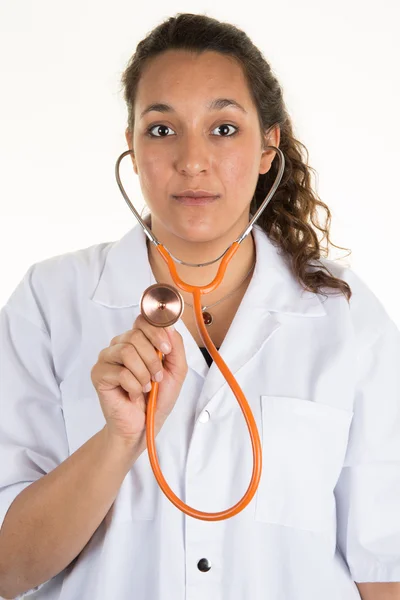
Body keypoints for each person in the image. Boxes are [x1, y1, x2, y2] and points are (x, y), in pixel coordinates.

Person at [0, 12, 399, 600]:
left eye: (224, 128)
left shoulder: (342, 314)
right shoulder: (50, 300)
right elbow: (9, 571)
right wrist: (118, 439)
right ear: (132, 149)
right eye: (162, 130)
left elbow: (383, 561)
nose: (192, 160)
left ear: (270, 147)